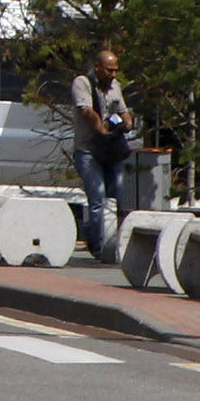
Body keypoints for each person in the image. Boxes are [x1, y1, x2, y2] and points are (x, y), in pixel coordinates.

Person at [69, 43, 133, 263]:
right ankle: (98, 248)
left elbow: (123, 111)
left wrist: (126, 122)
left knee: (116, 195)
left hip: (111, 151)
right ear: (97, 67)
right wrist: (103, 131)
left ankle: (106, 239)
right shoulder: (82, 83)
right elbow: (87, 112)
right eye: (109, 70)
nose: (113, 74)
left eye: (115, 70)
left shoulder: (116, 87)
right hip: (88, 150)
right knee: (97, 196)